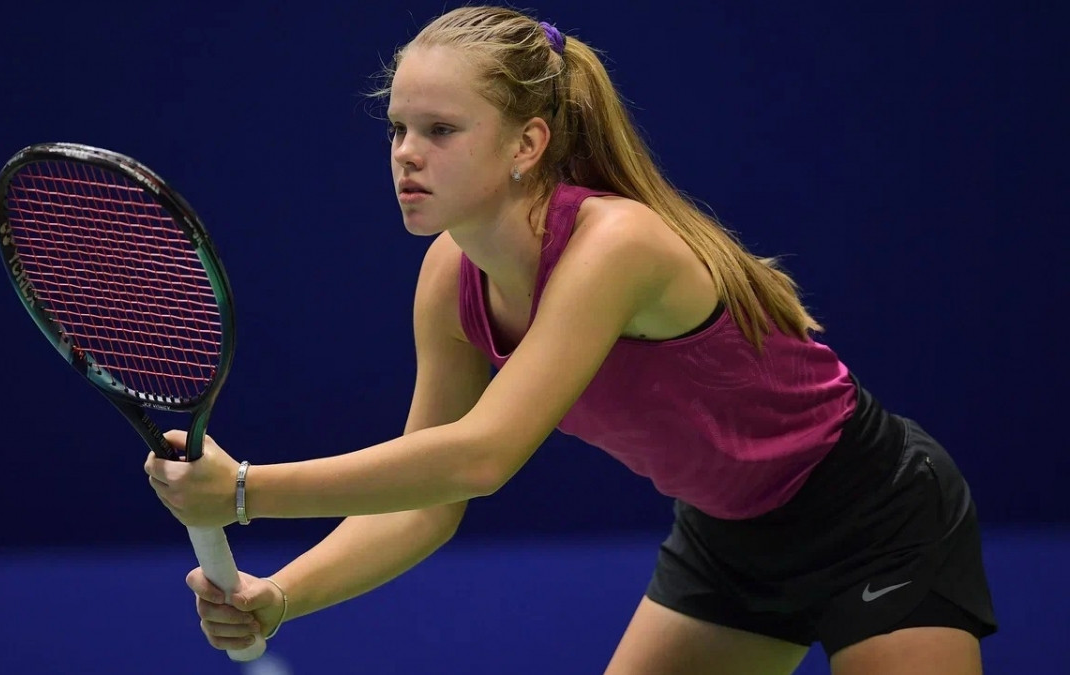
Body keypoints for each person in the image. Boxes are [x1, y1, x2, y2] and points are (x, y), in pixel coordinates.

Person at [144, 6, 996, 673]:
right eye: (397, 129)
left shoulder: (614, 245)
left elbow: (481, 456)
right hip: (729, 539)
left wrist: (245, 492)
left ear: (528, 142)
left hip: (874, 515)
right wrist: (281, 594)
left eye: (440, 130)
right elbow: (428, 503)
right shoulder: (450, 277)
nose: (406, 155)